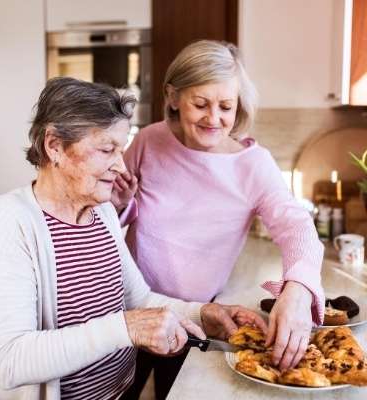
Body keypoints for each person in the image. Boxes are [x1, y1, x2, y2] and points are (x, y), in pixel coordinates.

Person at [0, 77, 268, 400]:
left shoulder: (103, 213)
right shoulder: (8, 221)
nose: (120, 165)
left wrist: (202, 314)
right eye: (106, 150)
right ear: (54, 145)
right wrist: (126, 328)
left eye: (121, 150)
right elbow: (9, 360)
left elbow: (138, 300)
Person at [112, 40, 325, 399]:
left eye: (226, 106)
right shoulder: (148, 141)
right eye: (200, 104)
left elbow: (296, 226)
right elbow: (107, 217)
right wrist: (119, 205)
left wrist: (300, 291)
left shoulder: (252, 165)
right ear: (173, 96)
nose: (214, 119)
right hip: (129, 308)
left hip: (196, 320)